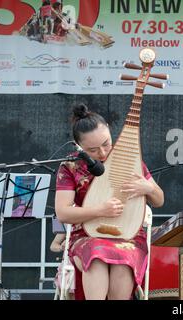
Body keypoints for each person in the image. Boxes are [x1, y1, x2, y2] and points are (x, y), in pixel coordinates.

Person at [55, 103, 164, 300]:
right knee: (96, 255)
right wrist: (100, 210)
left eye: (106, 144)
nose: (103, 153)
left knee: (123, 260)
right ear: (79, 147)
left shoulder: (130, 160)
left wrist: (149, 189)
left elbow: (159, 200)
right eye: (93, 150)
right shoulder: (70, 166)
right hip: (87, 234)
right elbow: (63, 212)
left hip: (128, 235)